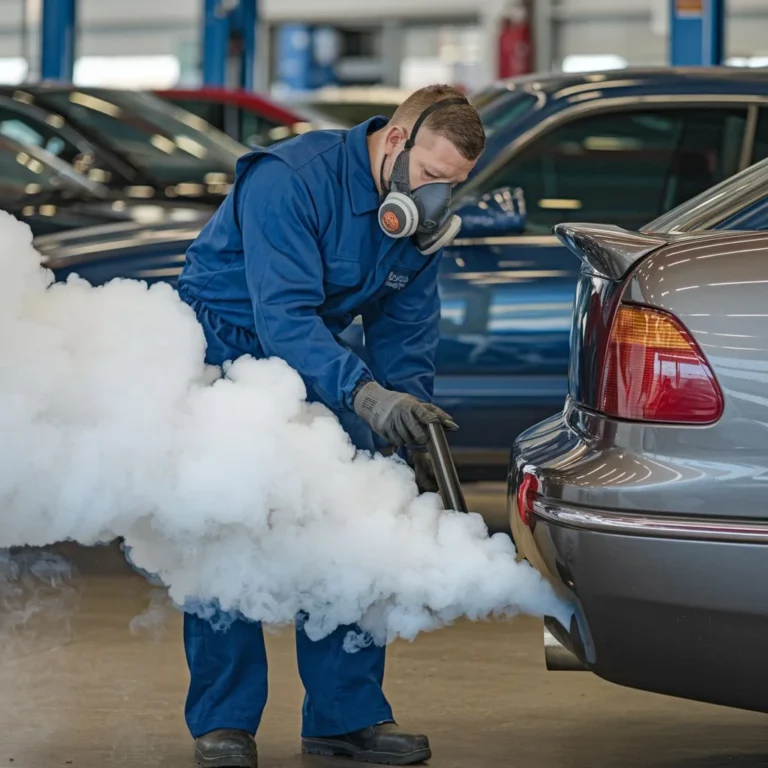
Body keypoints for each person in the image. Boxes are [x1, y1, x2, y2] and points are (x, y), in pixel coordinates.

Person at [176, 84, 486, 768]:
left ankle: (345, 719)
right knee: (227, 529)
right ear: (397, 142)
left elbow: (406, 332)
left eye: (454, 184)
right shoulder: (288, 180)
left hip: (315, 354)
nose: (439, 197)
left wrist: (408, 420)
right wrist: (362, 393)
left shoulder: (416, 225)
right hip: (223, 347)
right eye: (433, 177)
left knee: (355, 517)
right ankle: (224, 722)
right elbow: (283, 313)